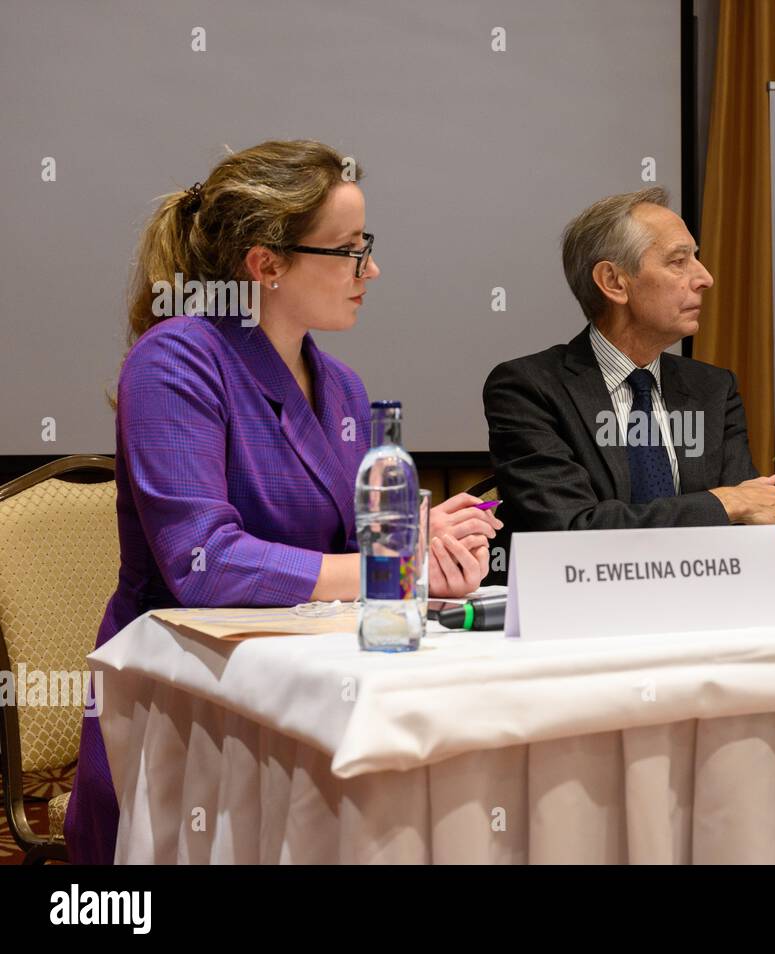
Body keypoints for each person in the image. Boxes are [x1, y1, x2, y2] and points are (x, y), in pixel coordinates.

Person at [64, 140, 502, 864]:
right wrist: (381, 570)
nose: (372, 270)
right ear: (266, 265)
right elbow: (207, 565)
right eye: (350, 251)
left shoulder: (345, 389)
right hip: (183, 707)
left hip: (308, 692)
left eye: (368, 247)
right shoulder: (176, 360)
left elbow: (354, 552)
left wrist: (423, 559)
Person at [482, 187, 775, 555]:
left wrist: (758, 515)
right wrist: (724, 503)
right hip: (586, 607)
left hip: (705, 603)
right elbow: (573, 531)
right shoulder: (529, 389)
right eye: (679, 261)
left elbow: (755, 525)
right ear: (613, 282)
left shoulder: (713, 388)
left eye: (697, 258)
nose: (705, 277)